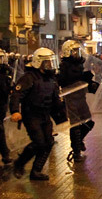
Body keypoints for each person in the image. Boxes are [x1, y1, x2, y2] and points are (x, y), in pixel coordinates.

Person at [10, 48, 67, 181]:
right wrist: (15, 111)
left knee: (48, 142)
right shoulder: (29, 78)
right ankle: (19, 163)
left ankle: (36, 171)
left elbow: (55, 99)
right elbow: (17, 95)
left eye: (51, 63)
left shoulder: (51, 79)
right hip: (32, 115)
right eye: (47, 63)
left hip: (45, 115)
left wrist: (63, 113)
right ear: (38, 63)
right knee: (39, 142)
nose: (50, 66)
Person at [58, 40, 97, 163]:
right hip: (71, 98)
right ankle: (76, 152)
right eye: (74, 51)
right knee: (75, 126)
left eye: (77, 51)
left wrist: (91, 83)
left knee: (88, 122)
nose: (76, 53)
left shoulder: (81, 64)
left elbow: (83, 82)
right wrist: (81, 78)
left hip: (81, 97)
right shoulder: (64, 66)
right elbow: (64, 80)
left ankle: (79, 142)